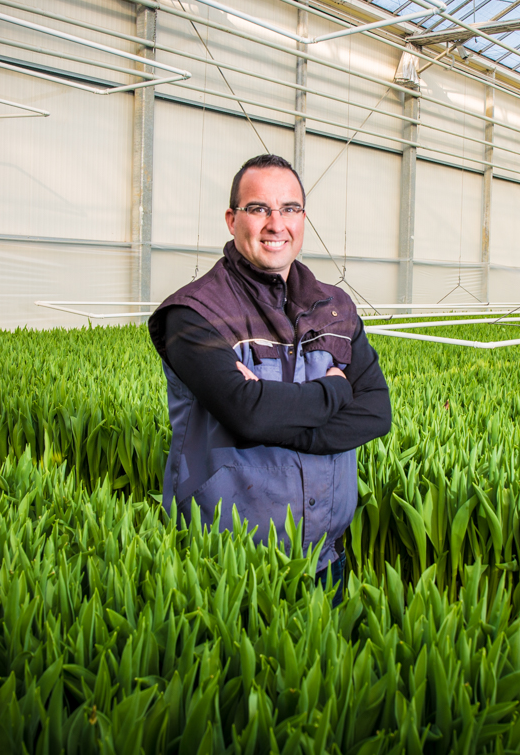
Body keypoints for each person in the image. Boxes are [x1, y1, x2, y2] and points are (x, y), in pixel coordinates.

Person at [147, 153, 392, 601]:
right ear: (231, 219)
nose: (275, 223)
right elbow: (249, 416)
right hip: (226, 564)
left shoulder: (335, 307)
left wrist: (276, 417)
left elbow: (376, 411)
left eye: (290, 209)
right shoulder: (194, 312)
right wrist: (336, 389)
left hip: (324, 556)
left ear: (303, 219)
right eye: (258, 208)